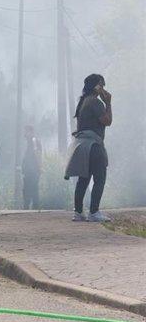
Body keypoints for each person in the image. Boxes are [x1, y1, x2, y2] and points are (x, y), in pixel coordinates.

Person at [65, 74, 112, 222]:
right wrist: (108, 103)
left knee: (83, 179)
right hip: (93, 145)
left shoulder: (84, 101)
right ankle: (94, 212)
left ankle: (78, 212)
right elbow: (107, 121)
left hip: (81, 145)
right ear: (97, 86)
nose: (103, 88)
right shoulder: (95, 102)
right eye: (101, 85)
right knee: (100, 177)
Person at [22, 125, 42, 210]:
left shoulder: (34, 141)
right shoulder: (30, 142)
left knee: (31, 188)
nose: (25, 134)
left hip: (32, 170)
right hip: (29, 169)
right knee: (30, 188)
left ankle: (32, 207)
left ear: (31, 132)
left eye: (26, 131)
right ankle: (30, 207)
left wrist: (39, 167)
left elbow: (37, 154)